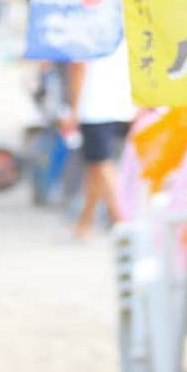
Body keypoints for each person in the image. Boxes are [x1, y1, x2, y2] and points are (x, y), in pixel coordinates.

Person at [62, 39, 136, 240]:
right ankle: (85, 223)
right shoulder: (121, 22)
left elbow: (78, 67)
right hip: (124, 104)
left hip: (95, 106)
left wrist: (74, 111)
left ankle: (125, 222)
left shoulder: (87, 29)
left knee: (101, 165)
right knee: (94, 167)